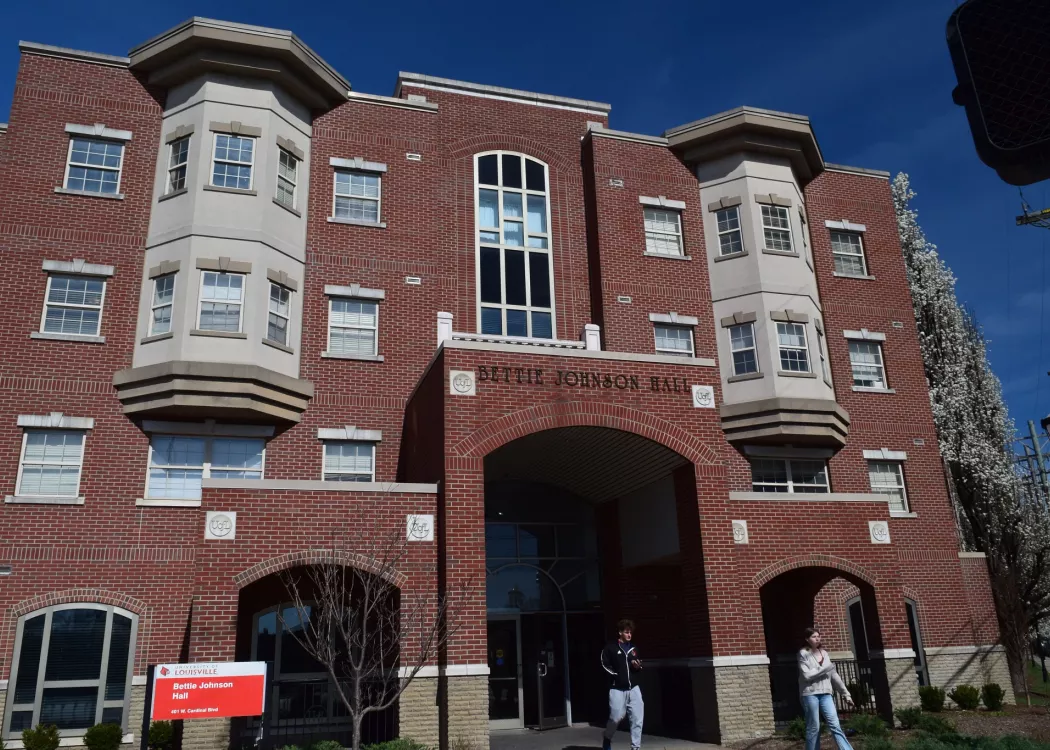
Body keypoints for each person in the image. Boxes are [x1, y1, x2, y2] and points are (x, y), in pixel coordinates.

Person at [798, 627, 855, 750]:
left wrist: (846, 694)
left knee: (835, 724)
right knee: (814, 727)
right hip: (810, 694)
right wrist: (825, 668)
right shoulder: (803, 653)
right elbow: (807, 675)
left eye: (818, 636)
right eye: (814, 636)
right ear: (807, 639)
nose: (817, 639)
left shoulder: (824, 653)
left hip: (826, 694)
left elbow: (834, 675)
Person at [601, 619, 643, 750]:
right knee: (615, 718)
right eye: (626, 632)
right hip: (617, 689)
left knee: (637, 719)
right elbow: (604, 664)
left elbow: (637, 667)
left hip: (634, 688)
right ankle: (607, 737)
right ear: (620, 633)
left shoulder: (634, 649)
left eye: (630, 632)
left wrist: (637, 666)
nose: (629, 635)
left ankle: (635, 747)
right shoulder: (610, 648)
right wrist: (616, 676)